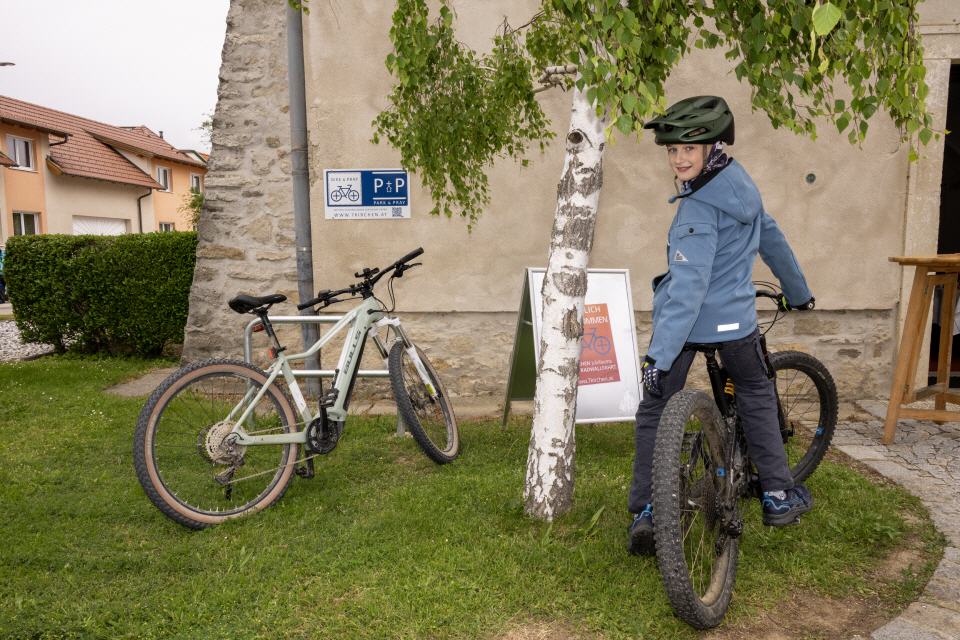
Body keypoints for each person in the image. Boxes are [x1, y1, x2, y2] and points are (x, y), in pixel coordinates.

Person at [627, 96, 816, 556]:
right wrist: (798, 292)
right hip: (737, 324)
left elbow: (687, 290)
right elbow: (772, 239)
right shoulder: (741, 185)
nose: (679, 159)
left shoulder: (697, 209)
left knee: (654, 408)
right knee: (755, 393)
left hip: (687, 326)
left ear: (712, 146)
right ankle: (777, 493)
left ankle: (647, 509)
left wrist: (658, 359)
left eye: (689, 149)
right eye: (673, 150)